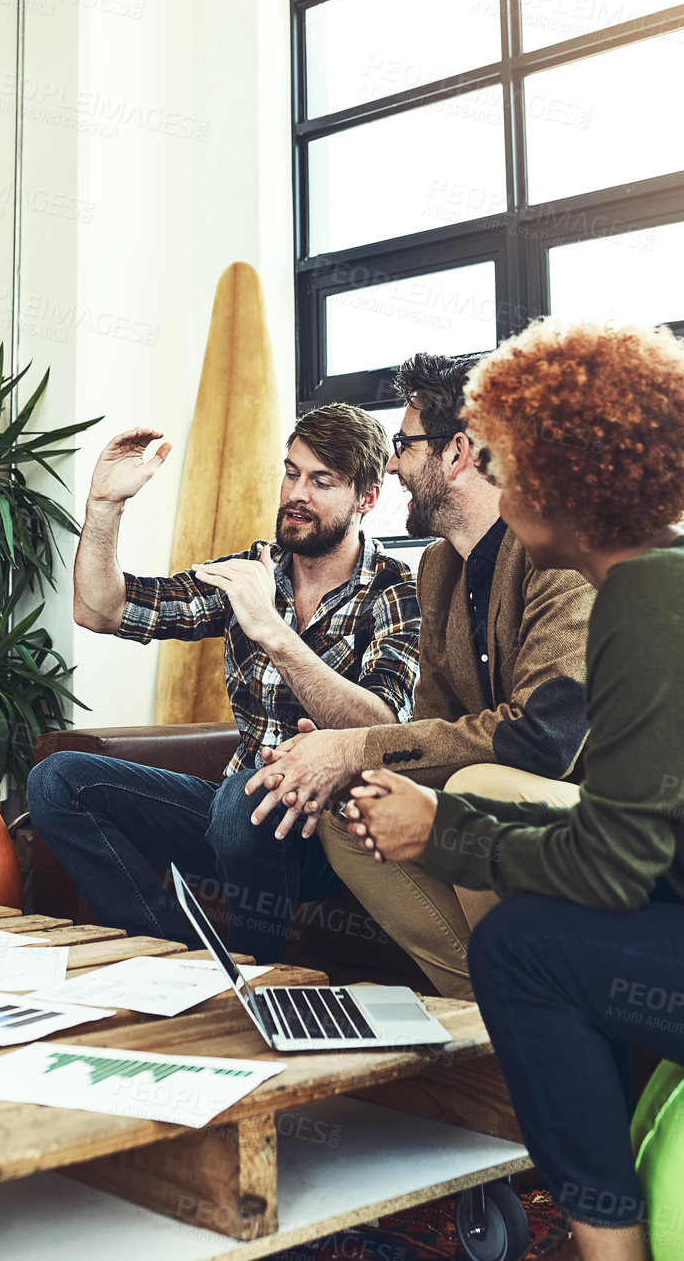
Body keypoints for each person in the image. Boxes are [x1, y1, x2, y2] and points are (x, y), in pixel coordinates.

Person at [343, 320, 684, 1261]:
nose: (489, 477)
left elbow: (614, 868)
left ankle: (603, 1252)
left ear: (565, 475)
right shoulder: (660, 584)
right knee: (539, 907)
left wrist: (440, 830)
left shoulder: (661, 602)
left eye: (500, 455)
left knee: (521, 949)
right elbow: (625, 828)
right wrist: (461, 816)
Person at [245, 351, 595, 996]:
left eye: (405, 445)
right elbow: (434, 726)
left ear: (457, 452)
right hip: (505, 800)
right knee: (353, 805)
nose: (394, 464)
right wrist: (329, 759)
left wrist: (353, 743)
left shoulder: (560, 551)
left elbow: (544, 739)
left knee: (480, 784)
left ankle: (524, 1009)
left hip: (592, 808)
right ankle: (484, 1009)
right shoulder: (439, 567)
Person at [26, 404, 420, 959]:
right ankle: (177, 956)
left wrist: (275, 632)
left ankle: (257, 983)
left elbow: (383, 727)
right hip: (233, 817)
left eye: (321, 481)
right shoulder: (252, 573)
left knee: (243, 797)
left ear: (367, 498)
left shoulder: (395, 592)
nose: (296, 493)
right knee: (57, 779)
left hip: (329, 834)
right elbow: (103, 610)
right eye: (292, 472)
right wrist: (105, 505)